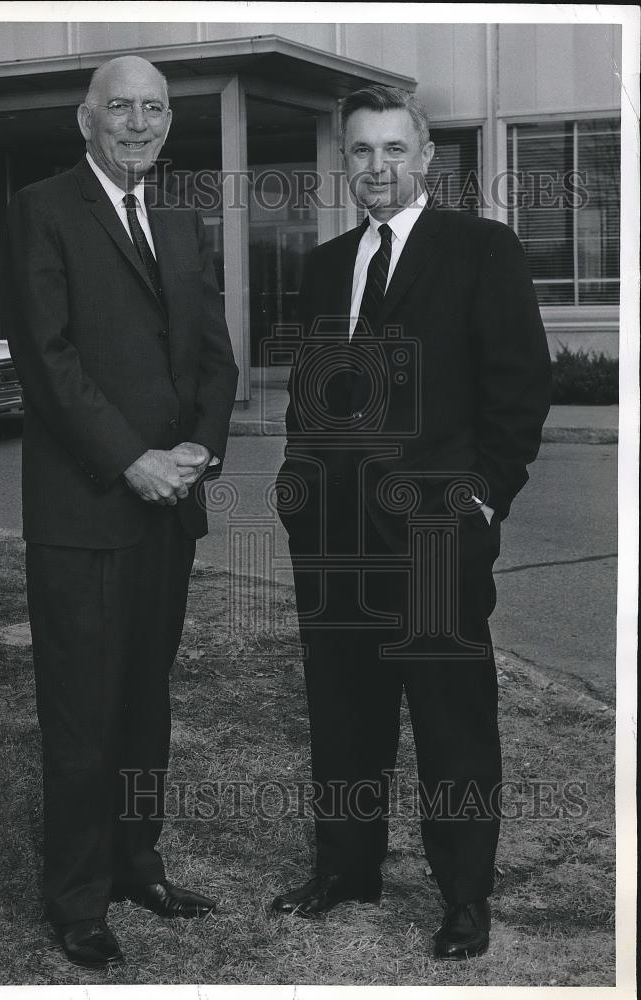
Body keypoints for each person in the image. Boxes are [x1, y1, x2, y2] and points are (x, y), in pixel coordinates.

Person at [272, 84, 551, 960]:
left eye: (394, 149)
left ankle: (463, 896)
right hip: (336, 541)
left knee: (450, 721)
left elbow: (518, 388)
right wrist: (298, 486)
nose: (377, 167)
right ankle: (345, 869)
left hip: (436, 537)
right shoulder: (325, 265)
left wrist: (483, 493)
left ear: (426, 157)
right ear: (343, 161)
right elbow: (309, 398)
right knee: (342, 711)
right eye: (360, 151)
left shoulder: (480, 249)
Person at [6, 55, 238, 969]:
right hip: (85, 510)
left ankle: (137, 861)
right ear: (85, 119)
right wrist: (130, 460)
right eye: (120, 109)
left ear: (168, 122)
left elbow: (214, 353)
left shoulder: (179, 212)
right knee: (82, 709)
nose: (137, 124)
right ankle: (76, 897)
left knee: (145, 702)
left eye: (153, 109)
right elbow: (47, 359)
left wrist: (197, 451)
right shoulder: (43, 208)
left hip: (168, 506)